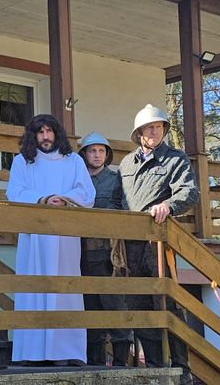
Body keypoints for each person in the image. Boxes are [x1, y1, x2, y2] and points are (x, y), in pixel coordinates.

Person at [110, 104, 198, 385]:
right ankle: (155, 367)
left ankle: (182, 370)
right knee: (139, 304)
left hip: (158, 242)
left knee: (169, 304)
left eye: (159, 126)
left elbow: (189, 192)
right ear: (139, 133)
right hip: (129, 245)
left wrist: (168, 205)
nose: (155, 131)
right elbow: (115, 200)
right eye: (150, 127)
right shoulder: (126, 163)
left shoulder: (175, 159)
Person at [7, 114, 95, 366]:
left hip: (64, 235)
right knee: (33, 289)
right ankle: (31, 352)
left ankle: (65, 352)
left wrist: (63, 199)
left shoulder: (74, 161)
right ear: (33, 135)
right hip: (33, 236)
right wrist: (43, 199)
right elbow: (15, 192)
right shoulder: (22, 161)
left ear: (57, 133)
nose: (45, 137)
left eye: (49, 131)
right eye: (40, 132)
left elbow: (86, 192)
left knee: (64, 290)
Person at [78, 132, 132, 366]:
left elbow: (123, 209)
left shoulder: (115, 179)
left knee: (113, 305)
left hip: (109, 253)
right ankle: (94, 364)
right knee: (90, 309)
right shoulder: (77, 179)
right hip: (80, 253)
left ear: (107, 154)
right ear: (84, 154)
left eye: (101, 151)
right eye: (92, 151)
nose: (97, 155)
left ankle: (121, 363)